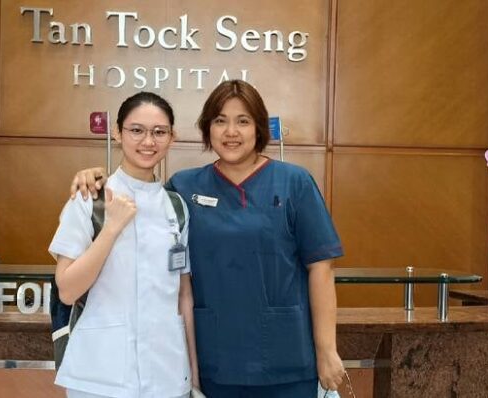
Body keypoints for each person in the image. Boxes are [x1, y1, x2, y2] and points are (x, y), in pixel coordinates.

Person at [70, 80, 345, 397]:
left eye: (243, 121)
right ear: (207, 128)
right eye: (220, 121)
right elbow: (138, 200)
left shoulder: (295, 183)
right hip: (214, 360)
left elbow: (322, 269)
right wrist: (95, 177)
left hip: (287, 359)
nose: (231, 132)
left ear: (258, 128)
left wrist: (327, 351)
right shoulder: (184, 188)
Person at [50, 92, 199, 398]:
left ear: (172, 137)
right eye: (136, 130)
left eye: (159, 132)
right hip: (99, 374)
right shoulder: (90, 197)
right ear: (117, 132)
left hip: (168, 374)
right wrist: (111, 229)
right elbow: (67, 290)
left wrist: (192, 374)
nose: (148, 141)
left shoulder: (177, 207)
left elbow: (183, 296)